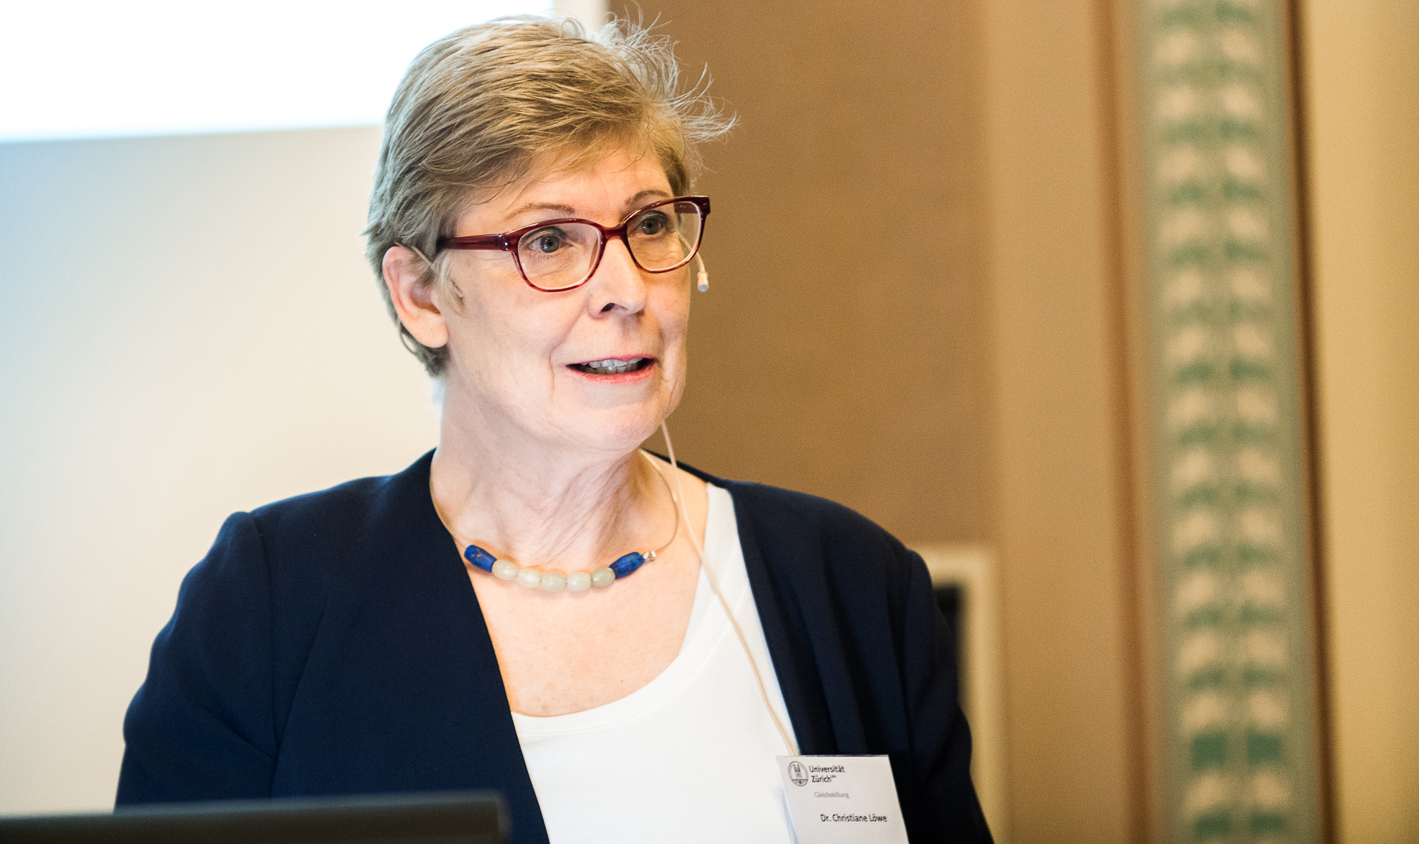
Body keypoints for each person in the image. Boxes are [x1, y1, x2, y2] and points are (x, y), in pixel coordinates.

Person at [115, 15, 991, 844]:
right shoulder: (269, 605)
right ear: (421, 295)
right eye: (550, 241)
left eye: (649, 224)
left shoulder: (849, 586)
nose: (628, 289)